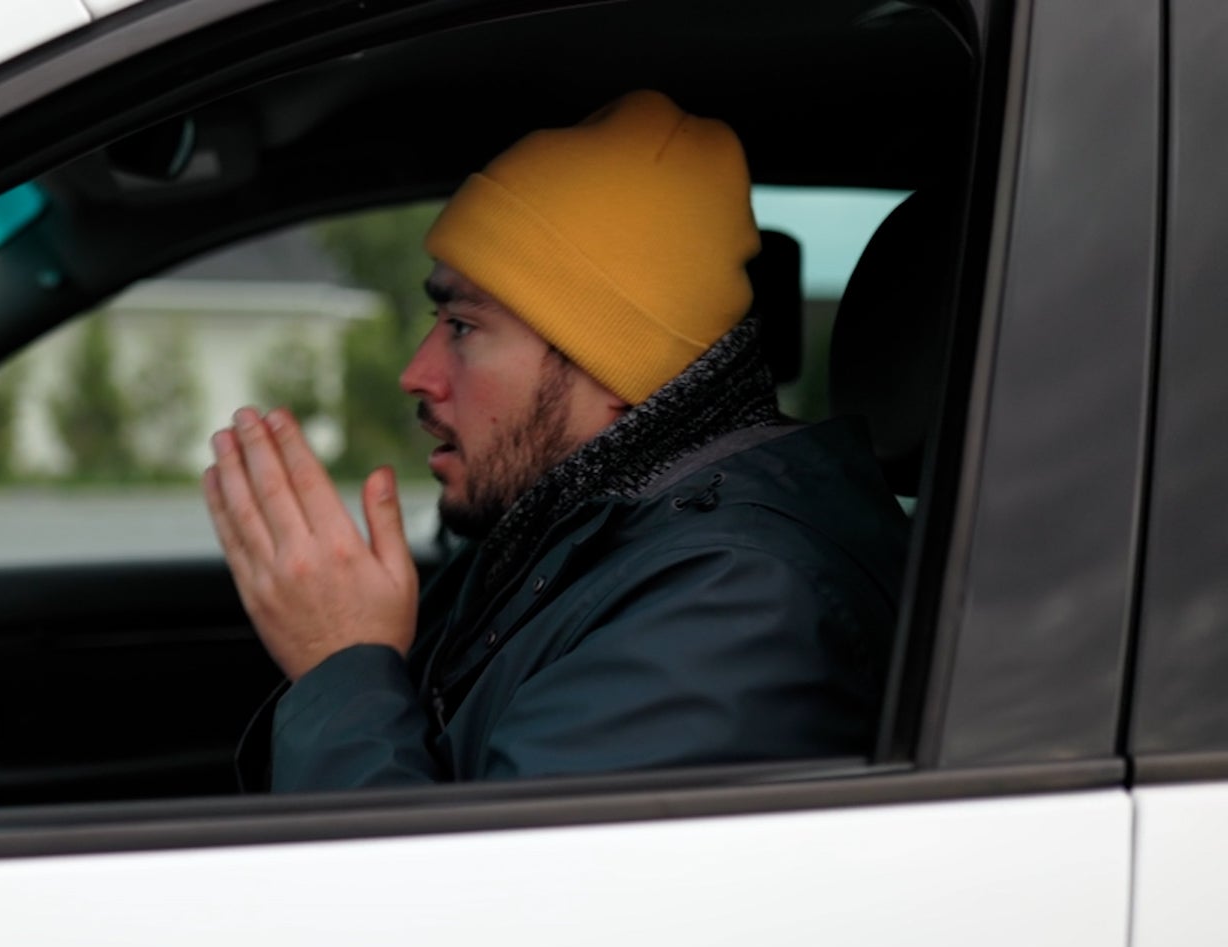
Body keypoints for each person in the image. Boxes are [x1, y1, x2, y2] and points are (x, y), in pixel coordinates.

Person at [203, 89, 908, 792]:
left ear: (613, 365)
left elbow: (469, 871)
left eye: (463, 328)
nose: (417, 374)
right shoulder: (563, 532)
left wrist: (342, 664)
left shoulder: (738, 605)